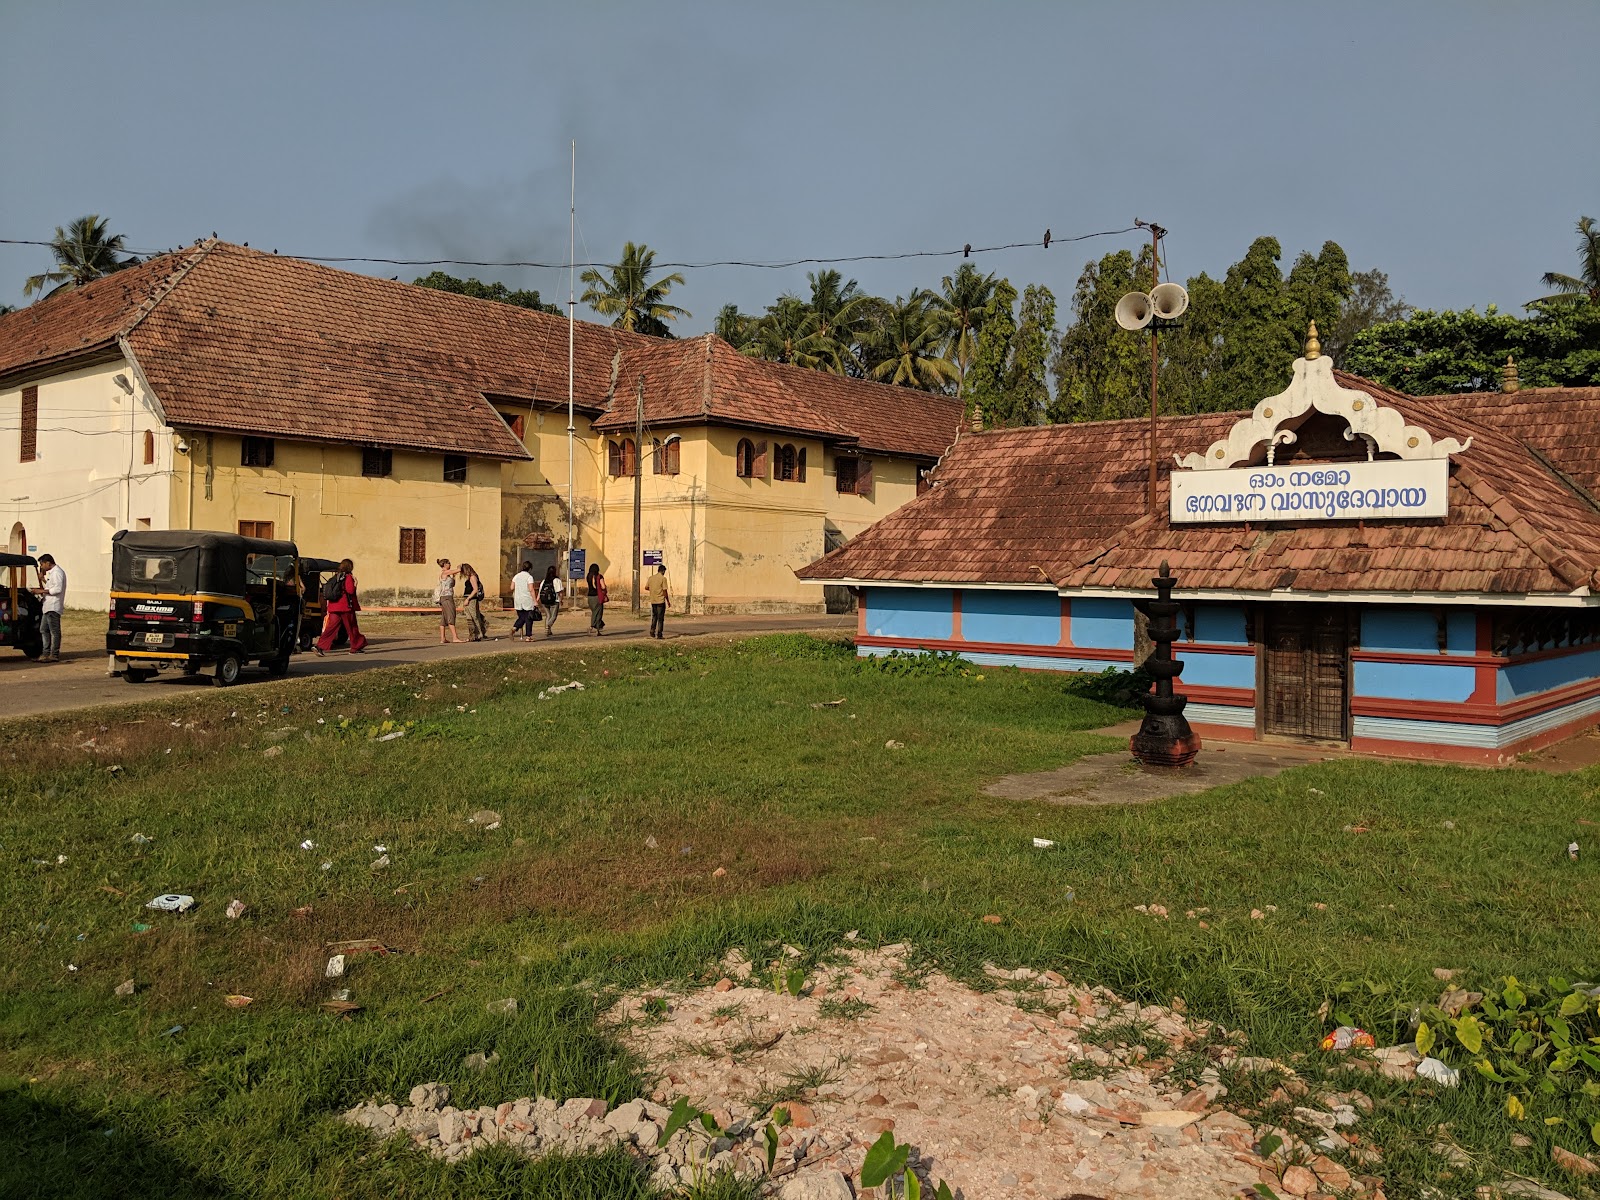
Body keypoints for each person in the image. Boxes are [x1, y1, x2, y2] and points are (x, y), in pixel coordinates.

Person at [315, 558, 368, 655]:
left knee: (331, 628)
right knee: (352, 627)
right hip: (345, 607)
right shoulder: (348, 577)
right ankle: (356, 647)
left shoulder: (336, 577)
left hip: (333, 606)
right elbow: (350, 590)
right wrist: (355, 584)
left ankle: (319, 646)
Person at [35, 553, 65, 662]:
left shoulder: (57, 573)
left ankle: (54, 654)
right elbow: (51, 586)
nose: (42, 567)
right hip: (48, 606)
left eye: (42, 564)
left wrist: (41, 591)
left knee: (54, 631)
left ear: (48, 563)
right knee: (44, 629)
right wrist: (43, 580)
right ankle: (45, 652)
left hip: (53, 606)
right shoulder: (52, 574)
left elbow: (57, 589)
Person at [460, 562, 488, 641]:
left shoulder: (473, 577)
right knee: (469, 618)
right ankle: (472, 635)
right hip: (468, 598)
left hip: (471, 599)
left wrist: (468, 599)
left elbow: (475, 589)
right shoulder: (470, 577)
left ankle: (479, 633)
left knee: (474, 616)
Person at [435, 558, 461, 643]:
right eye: (449, 563)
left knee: (444, 617)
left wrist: (454, 577)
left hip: (446, 597)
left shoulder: (448, 575)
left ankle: (443, 638)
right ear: (445, 564)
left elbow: (452, 584)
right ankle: (455, 637)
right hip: (447, 597)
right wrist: (459, 567)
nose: (450, 564)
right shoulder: (445, 572)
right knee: (451, 615)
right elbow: (458, 570)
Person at [510, 561, 537, 641]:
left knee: (522, 617)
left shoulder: (516, 576)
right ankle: (528, 636)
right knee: (528, 618)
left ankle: (514, 627)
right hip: (527, 599)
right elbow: (531, 589)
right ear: (530, 569)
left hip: (518, 599)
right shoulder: (529, 577)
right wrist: (535, 600)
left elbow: (511, 587)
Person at [645, 563, 670, 639]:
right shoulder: (663, 579)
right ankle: (659, 634)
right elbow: (665, 591)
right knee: (660, 618)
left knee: (654, 617)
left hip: (653, 600)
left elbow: (646, 587)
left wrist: (653, 590)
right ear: (663, 571)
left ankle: (652, 631)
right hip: (660, 601)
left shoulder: (651, 578)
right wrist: (668, 601)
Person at [539, 564, 564, 637]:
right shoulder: (557, 580)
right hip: (554, 600)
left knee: (548, 615)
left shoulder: (544, 581)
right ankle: (548, 626)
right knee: (553, 616)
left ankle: (548, 630)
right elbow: (559, 592)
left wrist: (538, 599)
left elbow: (540, 591)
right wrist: (561, 600)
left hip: (544, 601)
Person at [586, 562, 607, 636]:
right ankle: (592, 627)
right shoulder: (599, 576)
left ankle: (598, 630)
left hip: (590, 597)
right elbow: (603, 586)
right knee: (597, 613)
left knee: (596, 613)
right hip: (597, 597)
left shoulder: (588, 576)